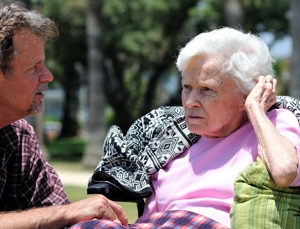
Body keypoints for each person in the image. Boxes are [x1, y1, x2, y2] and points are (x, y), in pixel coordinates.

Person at [72, 27, 300, 228]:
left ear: (247, 93)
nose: (190, 101)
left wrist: (255, 109)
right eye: (186, 87)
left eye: (206, 89)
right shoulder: (172, 138)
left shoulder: (274, 124)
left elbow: (284, 171)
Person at [0, 1, 128, 228]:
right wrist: (63, 214)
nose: (48, 76)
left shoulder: (20, 138)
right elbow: (60, 214)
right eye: (34, 67)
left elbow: (56, 209)